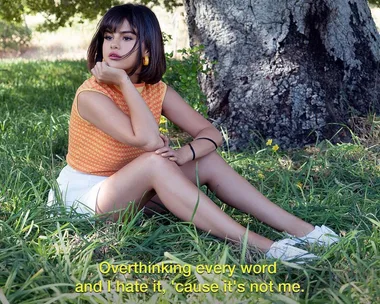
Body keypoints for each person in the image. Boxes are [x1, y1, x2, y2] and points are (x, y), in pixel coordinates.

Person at [48, 3, 339, 262]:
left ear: (147, 49)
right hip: (86, 200)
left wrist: (183, 153)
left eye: (127, 38)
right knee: (154, 163)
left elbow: (211, 134)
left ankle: (305, 231)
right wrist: (123, 81)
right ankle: (264, 248)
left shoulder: (156, 90)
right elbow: (148, 140)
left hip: (131, 191)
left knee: (206, 160)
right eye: (108, 36)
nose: (114, 44)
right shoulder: (91, 95)